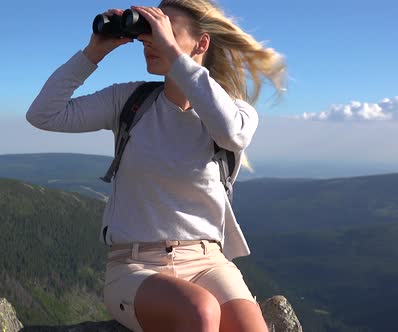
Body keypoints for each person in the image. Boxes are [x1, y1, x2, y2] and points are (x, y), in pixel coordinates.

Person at [26, 0, 286, 331]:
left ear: (201, 43)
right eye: (150, 31)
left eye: (165, 31)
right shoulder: (129, 102)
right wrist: (94, 52)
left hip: (209, 262)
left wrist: (175, 57)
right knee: (200, 311)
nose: (151, 41)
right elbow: (43, 114)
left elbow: (230, 132)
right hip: (136, 266)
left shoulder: (237, 113)